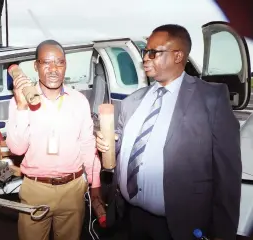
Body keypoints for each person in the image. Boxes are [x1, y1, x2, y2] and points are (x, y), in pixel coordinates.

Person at [96, 24, 241, 240]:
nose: (145, 58)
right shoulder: (132, 101)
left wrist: (222, 233)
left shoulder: (211, 99)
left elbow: (227, 173)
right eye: (145, 52)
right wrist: (109, 143)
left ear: (178, 56)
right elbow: (121, 145)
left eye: (153, 52)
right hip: (128, 218)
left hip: (179, 225)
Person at [6, 39, 102, 240]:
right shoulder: (19, 101)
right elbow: (16, 149)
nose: (53, 69)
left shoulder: (79, 101)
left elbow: (87, 145)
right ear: (36, 66)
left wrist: (94, 184)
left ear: (66, 65)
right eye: (46, 62)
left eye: (59, 62)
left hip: (73, 189)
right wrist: (22, 107)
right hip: (35, 189)